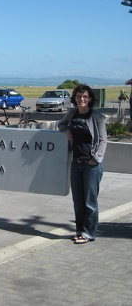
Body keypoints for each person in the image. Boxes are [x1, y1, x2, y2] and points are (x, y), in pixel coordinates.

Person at [58, 84, 107, 244]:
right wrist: (67, 130)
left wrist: (96, 159)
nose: (82, 99)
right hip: (76, 163)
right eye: (79, 97)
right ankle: (80, 231)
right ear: (75, 98)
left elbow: (103, 140)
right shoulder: (72, 114)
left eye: (85, 96)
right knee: (78, 202)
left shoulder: (97, 117)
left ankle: (88, 234)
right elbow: (61, 124)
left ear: (90, 98)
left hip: (91, 165)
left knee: (90, 202)